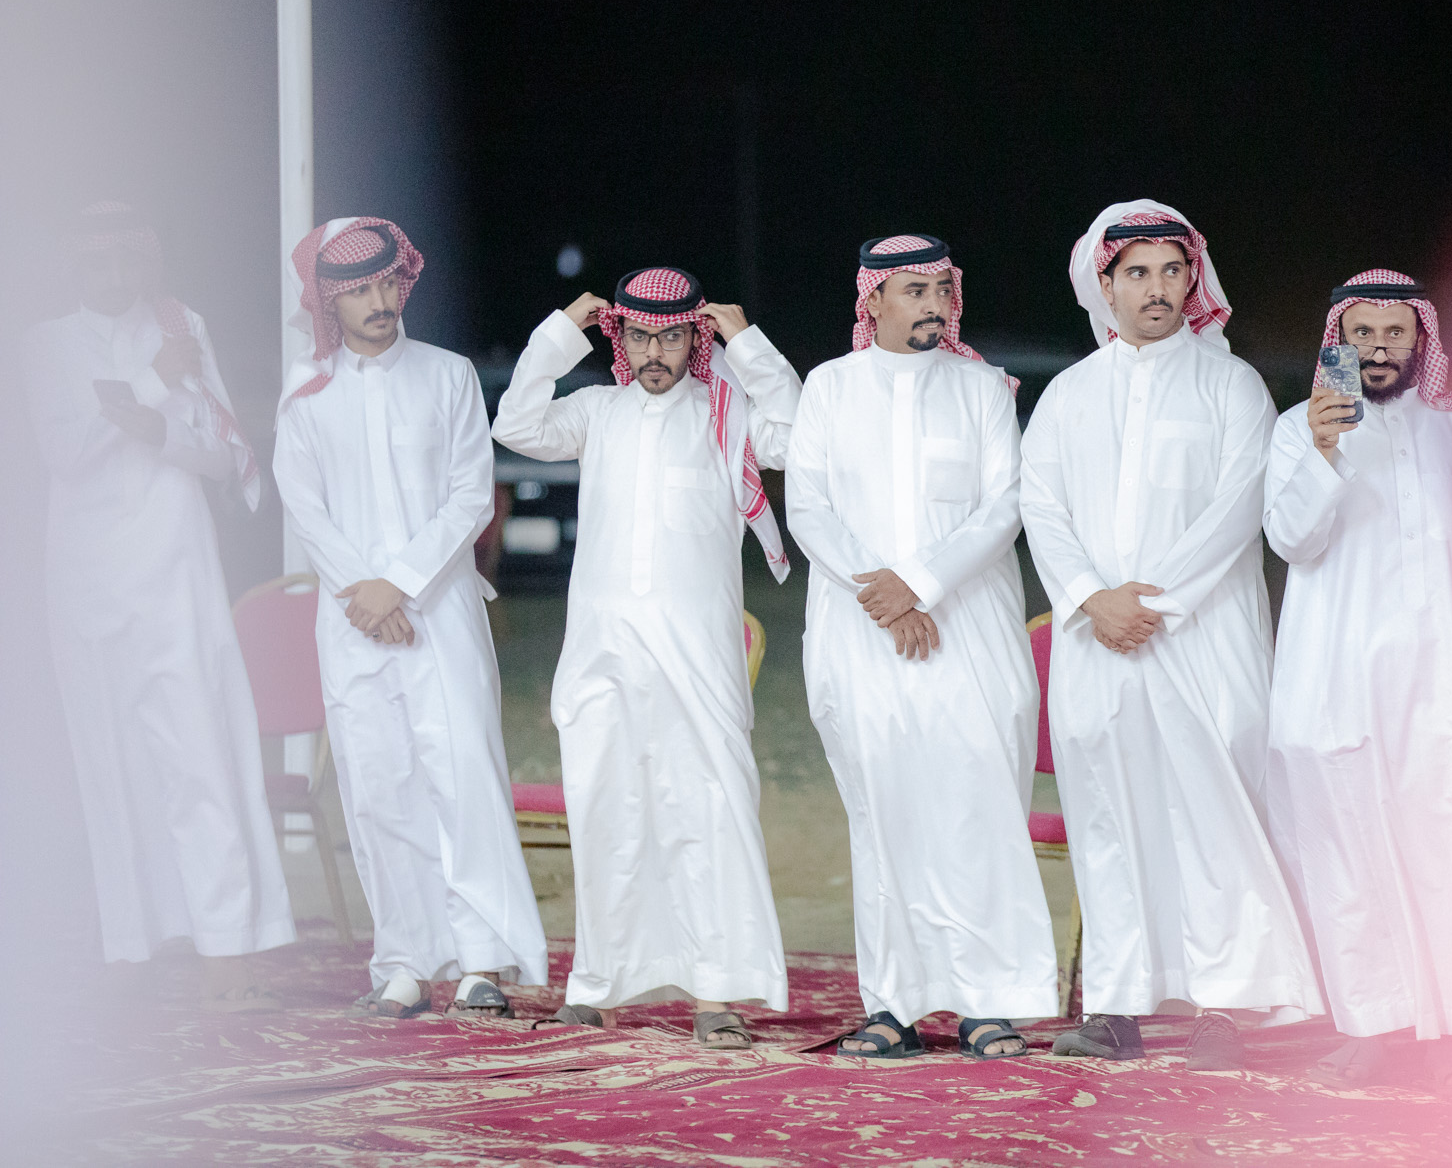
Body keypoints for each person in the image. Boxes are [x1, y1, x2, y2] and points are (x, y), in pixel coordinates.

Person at [1019, 200, 1319, 1071]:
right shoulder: (1069, 394)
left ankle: (1224, 1005)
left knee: (1211, 816)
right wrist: (1091, 598)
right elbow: (1041, 507)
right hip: (1096, 642)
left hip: (1202, 641)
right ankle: (1116, 1006)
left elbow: (1236, 509)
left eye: (1172, 271)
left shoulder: (1232, 387)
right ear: (1104, 285)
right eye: (1138, 273)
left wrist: (1150, 604)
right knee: (1113, 818)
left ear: (1194, 280)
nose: (1157, 288)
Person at [491, 267, 798, 1044]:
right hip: (602, 662)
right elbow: (515, 422)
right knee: (610, 818)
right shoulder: (597, 412)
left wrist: (749, 345)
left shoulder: (726, 415)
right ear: (619, 338)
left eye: (671, 336)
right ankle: (598, 985)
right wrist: (561, 330)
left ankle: (715, 992)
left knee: (710, 820)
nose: (655, 351)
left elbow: (798, 436)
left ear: (695, 339)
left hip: (700, 665)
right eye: (639, 335)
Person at [785, 234, 1055, 1061]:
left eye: (942, 288)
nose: (934, 303)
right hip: (861, 634)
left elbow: (1004, 504)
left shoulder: (982, 388)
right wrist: (884, 592)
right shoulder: (830, 387)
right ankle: (892, 1005)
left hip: (968, 635)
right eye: (915, 289)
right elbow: (808, 505)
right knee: (885, 817)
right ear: (873, 300)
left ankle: (988, 1003)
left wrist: (920, 584)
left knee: (978, 810)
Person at [272, 217, 548, 1018]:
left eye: (387, 282)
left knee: (463, 777)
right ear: (329, 301)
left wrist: (396, 584)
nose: (378, 300)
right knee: (378, 784)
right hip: (351, 618)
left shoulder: (448, 374)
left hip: (440, 610)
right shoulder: (306, 390)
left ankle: (482, 961)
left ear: (405, 280)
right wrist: (363, 591)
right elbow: (304, 505)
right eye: (358, 289)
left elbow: (470, 496)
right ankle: (403, 963)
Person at [22, 201, 292, 1006]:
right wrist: (153, 384)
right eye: (97, 260)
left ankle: (226, 947)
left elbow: (225, 458)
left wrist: (159, 427)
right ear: (74, 263)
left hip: (177, 569)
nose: (115, 275)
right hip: (87, 579)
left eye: (128, 258)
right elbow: (65, 451)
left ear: (148, 258)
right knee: (109, 761)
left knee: (200, 747)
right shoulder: (46, 344)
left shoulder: (183, 327)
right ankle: (134, 947)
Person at [1263, 270, 1452, 1091]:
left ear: (1419, 341)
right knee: (1347, 852)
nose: (1376, 348)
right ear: (1337, 340)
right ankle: (1370, 1024)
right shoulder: (1298, 430)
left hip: (1439, 683)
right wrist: (1324, 451)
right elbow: (1291, 537)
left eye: (1394, 333)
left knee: (1445, 852)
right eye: (1360, 333)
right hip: (1335, 677)